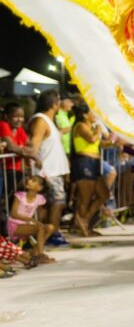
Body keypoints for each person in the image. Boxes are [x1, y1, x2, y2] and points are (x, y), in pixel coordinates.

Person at [26, 90, 70, 248]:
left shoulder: (50, 120)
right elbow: (34, 145)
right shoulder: (40, 120)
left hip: (54, 171)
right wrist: (36, 163)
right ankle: (51, 232)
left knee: (50, 204)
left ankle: (48, 233)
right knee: (56, 202)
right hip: (47, 171)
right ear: (54, 103)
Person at [68, 104, 117, 237]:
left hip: (94, 163)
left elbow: (100, 144)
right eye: (92, 113)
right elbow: (92, 138)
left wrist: (113, 139)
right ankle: (83, 224)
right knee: (85, 198)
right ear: (85, 115)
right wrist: (99, 129)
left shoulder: (92, 127)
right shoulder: (80, 126)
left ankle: (84, 219)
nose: (95, 115)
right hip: (84, 162)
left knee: (104, 194)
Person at [7, 175, 57, 266]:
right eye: (30, 179)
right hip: (14, 225)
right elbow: (13, 214)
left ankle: (33, 252)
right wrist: (32, 220)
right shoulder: (20, 195)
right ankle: (40, 255)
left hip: (27, 225)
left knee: (50, 227)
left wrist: (36, 222)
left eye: (33, 180)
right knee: (40, 228)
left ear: (39, 188)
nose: (29, 180)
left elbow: (41, 215)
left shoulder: (40, 198)